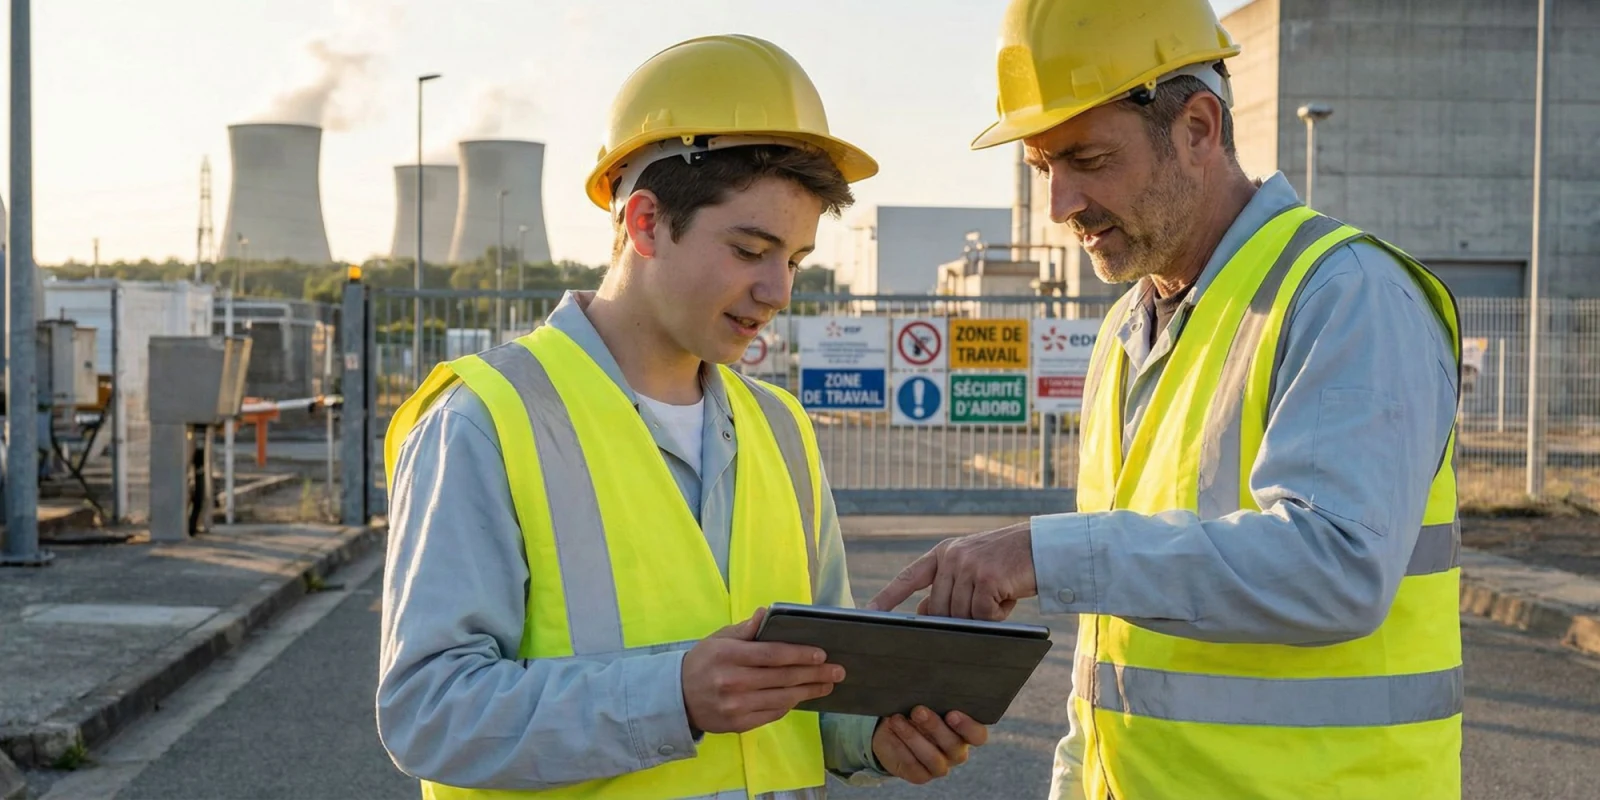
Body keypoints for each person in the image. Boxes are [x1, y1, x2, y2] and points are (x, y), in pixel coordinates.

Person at [868, 1, 1464, 798]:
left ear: (1198, 128)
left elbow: (1337, 567)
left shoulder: (1345, 294)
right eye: (1045, 169)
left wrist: (1044, 553)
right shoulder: (1126, 331)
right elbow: (1111, 655)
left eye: (1087, 159)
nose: (1061, 206)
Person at [377, 34, 988, 799]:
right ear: (642, 223)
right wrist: (673, 698)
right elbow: (428, 714)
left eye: (794, 259)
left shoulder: (780, 428)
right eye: (749, 249)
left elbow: (812, 682)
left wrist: (873, 736)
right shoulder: (487, 420)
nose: (778, 292)